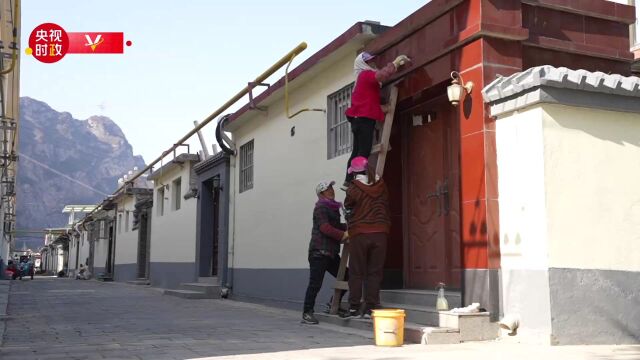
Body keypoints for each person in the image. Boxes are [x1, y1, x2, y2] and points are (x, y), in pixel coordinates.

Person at [342, 51, 410, 189]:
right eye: (369, 62)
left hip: (357, 119)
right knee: (364, 150)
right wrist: (395, 64)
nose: (372, 64)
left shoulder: (360, 79)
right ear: (362, 64)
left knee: (356, 151)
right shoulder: (366, 75)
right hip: (364, 118)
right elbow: (381, 75)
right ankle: (359, 178)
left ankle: (349, 180)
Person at [343, 156, 391, 318]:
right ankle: (371, 307)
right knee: (375, 272)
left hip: (360, 233)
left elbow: (348, 206)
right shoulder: (382, 184)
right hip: (380, 232)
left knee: (356, 272)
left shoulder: (353, 187)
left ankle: (354, 308)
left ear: (355, 173)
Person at [302, 180, 349, 324]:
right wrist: (343, 235)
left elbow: (336, 225)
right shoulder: (321, 207)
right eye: (328, 189)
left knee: (347, 276)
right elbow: (325, 228)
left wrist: (350, 226)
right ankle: (307, 312)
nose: (332, 191)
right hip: (319, 252)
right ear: (322, 193)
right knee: (315, 284)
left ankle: (332, 304)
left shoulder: (333, 208)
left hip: (331, 253)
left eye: (332, 188)